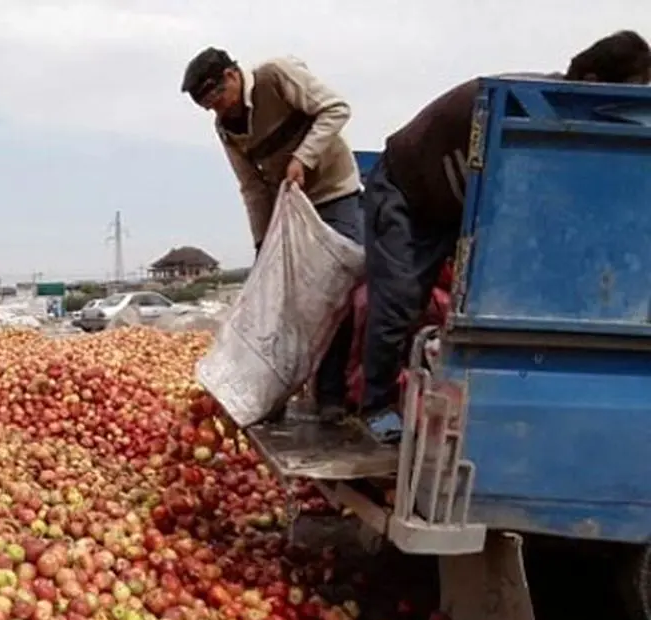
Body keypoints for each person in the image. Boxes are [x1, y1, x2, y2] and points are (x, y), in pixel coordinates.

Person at [356, 30, 651, 440]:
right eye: (631, 92)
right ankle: (376, 409)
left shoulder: (571, 122)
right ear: (595, 80)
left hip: (453, 208)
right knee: (400, 299)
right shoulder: (526, 104)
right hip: (404, 190)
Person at [181, 47, 363, 424]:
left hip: (333, 193)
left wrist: (304, 158)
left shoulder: (275, 77)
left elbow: (336, 109)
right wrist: (263, 244)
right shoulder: (226, 127)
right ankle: (271, 392)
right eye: (207, 106)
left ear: (233, 75)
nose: (217, 108)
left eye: (217, 96)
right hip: (287, 208)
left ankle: (332, 396)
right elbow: (252, 187)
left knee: (337, 292)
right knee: (280, 303)